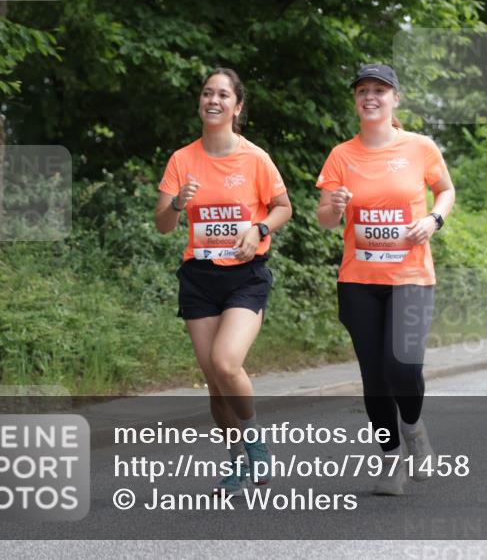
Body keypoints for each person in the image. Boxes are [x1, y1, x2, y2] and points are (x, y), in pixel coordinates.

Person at [316, 64, 455, 496]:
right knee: (374, 376)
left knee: (403, 368)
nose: (370, 97)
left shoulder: (420, 147)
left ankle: (414, 430)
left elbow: (445, 190)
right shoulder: (342, 154)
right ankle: (390, 458)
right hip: (359, 279)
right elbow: (324, 220)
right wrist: (334, 206)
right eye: (363, 90)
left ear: (396, 98)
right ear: (355, 100)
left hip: (411, 276)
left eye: (380, 90)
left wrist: (433, 219)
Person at [155, 68, 292, 494]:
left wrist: (260, 230)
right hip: (199, 277)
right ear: (200, 102)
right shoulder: (182, 159)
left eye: (223, 95)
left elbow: (284, 207)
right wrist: (177, 203)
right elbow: (162, 225)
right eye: (206, 93)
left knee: (226, 362)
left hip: (245, 276)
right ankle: (235, 463)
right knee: (215, 386)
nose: (213, 100)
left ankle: (256, 446)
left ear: (237, 107)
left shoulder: (255, 158)